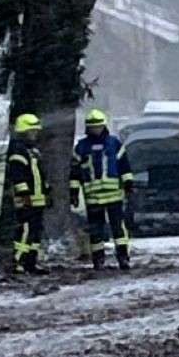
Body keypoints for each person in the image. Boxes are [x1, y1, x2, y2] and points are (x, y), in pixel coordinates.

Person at [71, 108, 134, 269]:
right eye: (93, 127)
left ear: (104, 126)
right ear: (87, 128)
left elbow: (124, 166)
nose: (96, 129)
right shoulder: (81, 147)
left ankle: (123, 257)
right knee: (96, 230)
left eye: (98, 126)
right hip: (93, 197)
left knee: (118, 229)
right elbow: (75, 172)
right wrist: (74, 192)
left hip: (114, 195)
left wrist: (128, 184)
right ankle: (98, 260)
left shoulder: (114, 143)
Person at [5, 112, 48, 275]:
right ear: (23, 132)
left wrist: (47, 191)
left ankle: (31, 262)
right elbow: (18, 176)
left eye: (36, 131)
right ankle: (18, 262)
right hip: (26, 200)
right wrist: (24, 195)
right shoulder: (18, 151)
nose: (35, 134)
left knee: (36, 232)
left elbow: (40, 174)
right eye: (32, 131)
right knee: (25, 231)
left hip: (37, 199)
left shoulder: (33, 151)